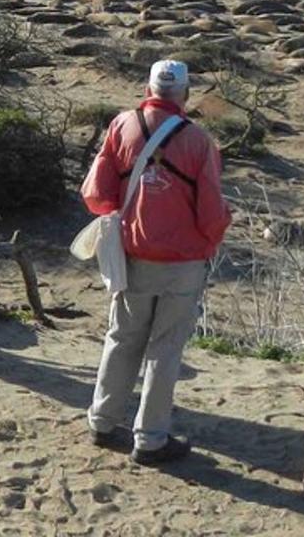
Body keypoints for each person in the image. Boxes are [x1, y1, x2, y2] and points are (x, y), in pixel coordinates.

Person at [81, 59, 232, 466]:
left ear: (148, 87)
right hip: (181, 261)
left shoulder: (122, 125)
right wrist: (210, 240)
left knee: (121, 338)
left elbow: (96, 193)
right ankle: (149, 440)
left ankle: (102, 420)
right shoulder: (199, 141)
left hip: (132, 256)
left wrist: (127, 217)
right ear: (185, 93)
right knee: (164, 350)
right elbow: (212, 212)